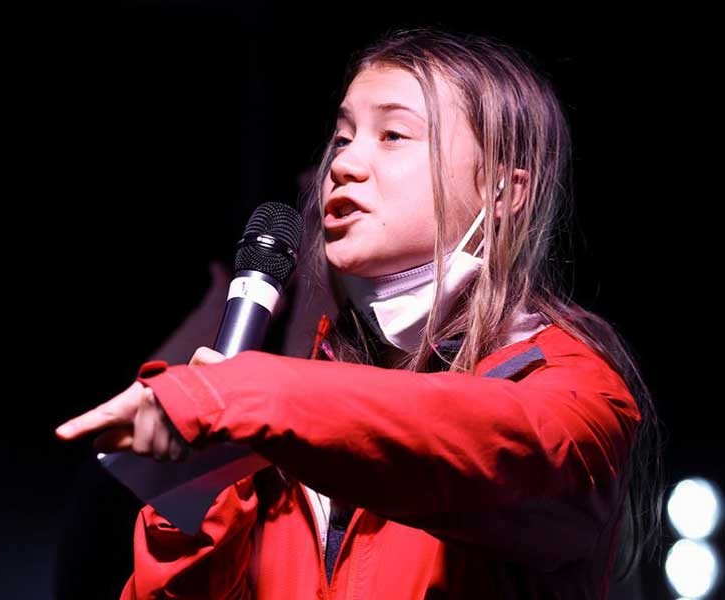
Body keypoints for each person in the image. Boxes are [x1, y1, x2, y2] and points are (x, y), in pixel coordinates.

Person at [55, 26, 662, 599]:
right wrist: (193, 509)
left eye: (393, 135)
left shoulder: (572, 390)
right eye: (342, 138)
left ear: (504, 190)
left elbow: (477, 444)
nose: (343, 163)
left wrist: (232, 397)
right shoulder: (279, 425)